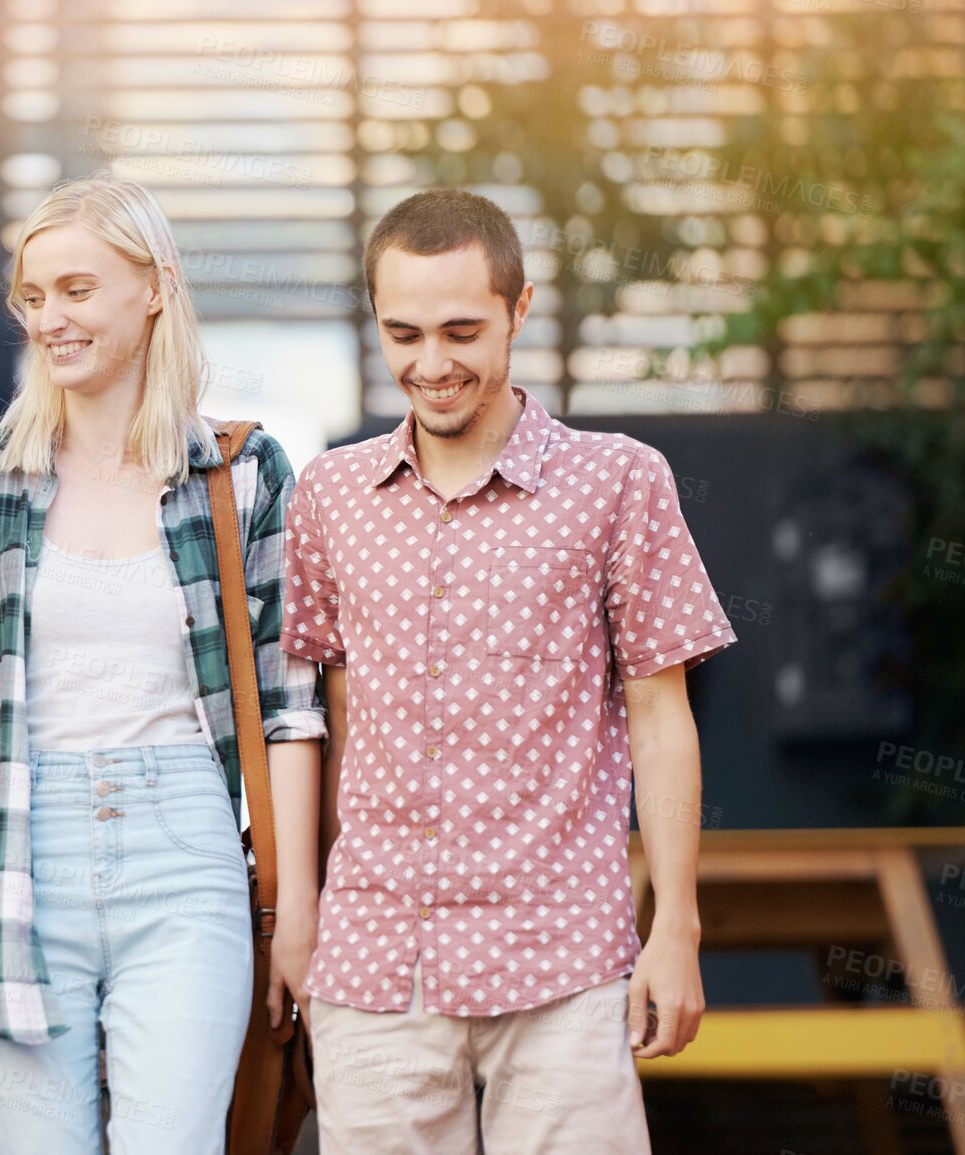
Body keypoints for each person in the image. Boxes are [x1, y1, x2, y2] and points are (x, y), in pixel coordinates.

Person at [280, 188, 737, 1154]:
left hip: (563, 958)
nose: (431, 364)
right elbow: (334, 715)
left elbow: (661, 721)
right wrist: (309, 928)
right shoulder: (328, 493)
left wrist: (675, 928)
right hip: (374, 965)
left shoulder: (618, 480)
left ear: (519, 309)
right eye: (402, 333)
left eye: (462, 329)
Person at [0, 174, 325, 1154]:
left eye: (78, 290)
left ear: (155, 287)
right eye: (34, 298)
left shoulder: (243, 473)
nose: (53, 319)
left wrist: (295, 908)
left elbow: (292, 711)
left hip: (186, 858)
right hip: (15, 855)